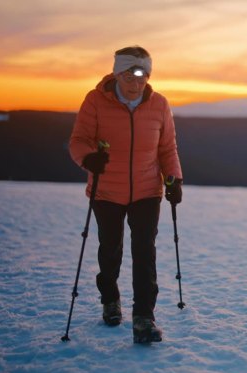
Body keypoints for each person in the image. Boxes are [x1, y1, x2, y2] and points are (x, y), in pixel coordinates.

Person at [69, 45, 183, 343]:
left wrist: (174, 180)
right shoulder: (95, 100)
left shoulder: (159, 104)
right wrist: (88, 158)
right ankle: (110, 299)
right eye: (130, 77)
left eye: (143, 76)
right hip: (106, 190)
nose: (136, 84)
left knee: (145, 252)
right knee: (110, 250)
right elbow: (79, 140)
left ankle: (144, 318)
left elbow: (167, 148)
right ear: (117, 74)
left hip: (147, 190)